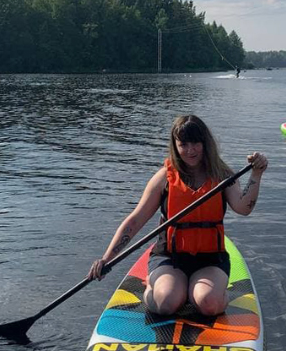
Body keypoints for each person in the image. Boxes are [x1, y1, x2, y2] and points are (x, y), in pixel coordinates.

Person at [88, 115, 268, 317]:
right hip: (170, 257)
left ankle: (208, 293)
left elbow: (244, 208)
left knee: (209, 304)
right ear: (175, 146)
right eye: (183, 145)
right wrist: (106, 259)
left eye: (195, 143)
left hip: (210, 259)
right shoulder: (164, 177)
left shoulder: (223, 174)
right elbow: (136, 220)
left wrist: (256, 175)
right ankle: (154, 287)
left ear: (205, 143)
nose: (190, 151)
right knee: (166, 302)